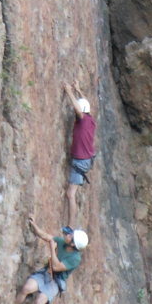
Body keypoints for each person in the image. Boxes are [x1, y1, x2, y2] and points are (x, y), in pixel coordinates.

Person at [14, 218, 88, 304]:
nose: (68, 235)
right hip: (46, 273)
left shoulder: (75, 258)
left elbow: (57, 267)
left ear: (73, 244)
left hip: (55, 282)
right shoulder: (62, 242)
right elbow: (45, 236)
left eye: (71, 235)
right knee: (26, 289)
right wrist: (34, 225)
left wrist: (53, 250)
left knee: (40, 300)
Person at [64, 81, 96, 226]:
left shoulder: (83, 120)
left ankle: (70, 226)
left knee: (70, 194)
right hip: (85, 159)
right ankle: (70, 225)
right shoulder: (91, 120)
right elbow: (85, 107)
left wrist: (69, 91)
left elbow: (79, 109)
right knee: (71, 193)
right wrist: (78, 90)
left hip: (80, 161)